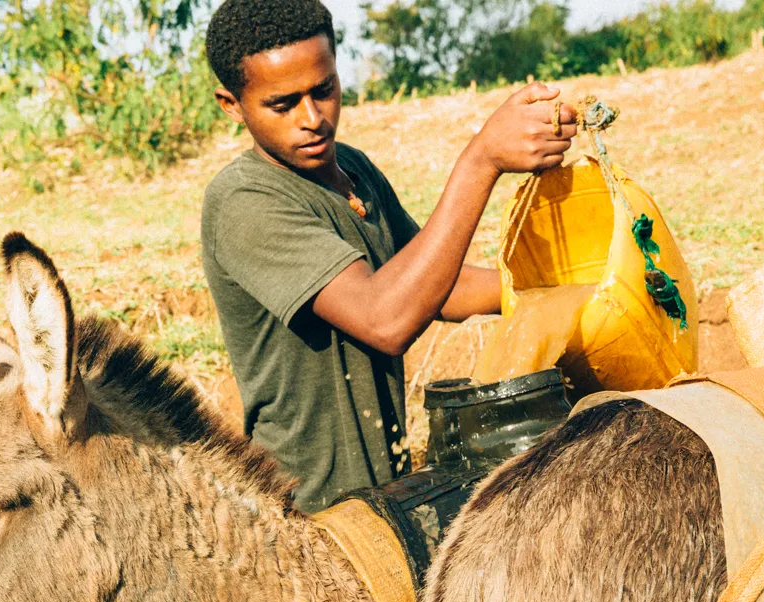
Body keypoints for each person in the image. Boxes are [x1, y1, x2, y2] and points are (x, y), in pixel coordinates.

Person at [201, 0, 577, 513]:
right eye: (283, 104)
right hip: (309, 512)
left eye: (324, 90)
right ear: (232, 104)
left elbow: (436, 284)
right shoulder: (244, 203)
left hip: (386, 495)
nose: (312, 119)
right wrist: (481, 160)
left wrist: (556, 292)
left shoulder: (352, 169)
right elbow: (387, 317)